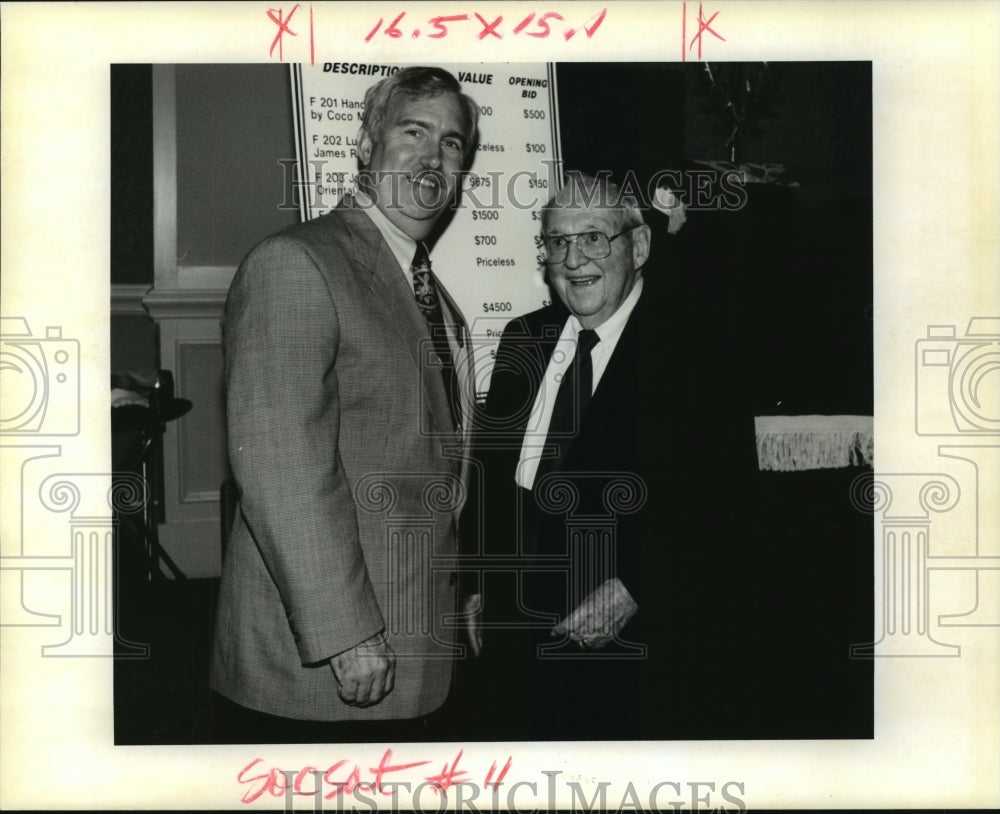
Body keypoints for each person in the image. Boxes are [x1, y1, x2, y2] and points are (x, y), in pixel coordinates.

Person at [210, 67, 479, 742]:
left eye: (451, 143)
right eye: (412, 131)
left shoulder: (437, 301)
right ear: (366, 143)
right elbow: (281, 469)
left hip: (415, 651)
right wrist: (347, 634)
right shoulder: (297, 264)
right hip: (325, 673)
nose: (432, 157)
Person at [463, 173, 761, 740]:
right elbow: (492, 476)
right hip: (512, 638)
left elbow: (725, 504)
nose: (574, 259)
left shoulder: (697, 353)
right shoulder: (521, 338)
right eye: (557, 241)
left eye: (594, 238)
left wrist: (635, 589)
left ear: (639, 245)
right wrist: (477, 583)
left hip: (630, 648)